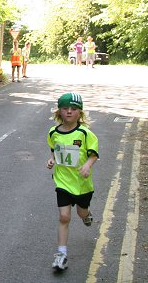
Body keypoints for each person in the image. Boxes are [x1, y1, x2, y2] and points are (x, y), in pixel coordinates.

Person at [46, 92, 99, 271]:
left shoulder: (85, 134)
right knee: (64, 217)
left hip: (82, 185)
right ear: (58, 111)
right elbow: (54, 149)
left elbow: (93, 155)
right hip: (62, 182)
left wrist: (87, 165)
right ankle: (61, 254)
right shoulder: (53, 132)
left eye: (73, 109)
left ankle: (87, 216)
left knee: (81, 213)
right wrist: (51, 159)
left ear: (80, 112)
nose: (69, 112)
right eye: (65, 108)